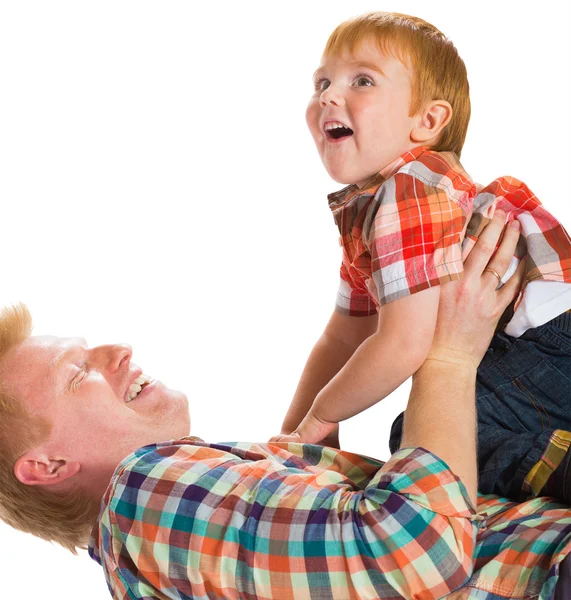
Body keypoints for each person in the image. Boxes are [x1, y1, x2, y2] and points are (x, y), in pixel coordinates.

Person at [0, 215, 569, 599]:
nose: (116, 351)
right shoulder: (142, 492)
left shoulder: (158, 550)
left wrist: (368, 283)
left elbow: (302, 450)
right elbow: (413, 554)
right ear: (48, 467)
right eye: (77, 374)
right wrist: (449, 357)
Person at [272, 11, 571, 504]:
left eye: (361, 80)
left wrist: (323, 416)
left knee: (424, 448)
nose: (327, 95)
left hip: (551, 340)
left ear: (427, 121)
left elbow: (403, 344)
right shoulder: (368, 208)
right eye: (321, 82)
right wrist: (293, 433)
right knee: (437, 430)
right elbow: (343, 333)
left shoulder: (410, 189)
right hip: (533, 347)